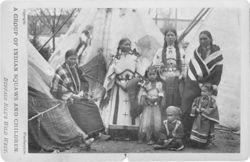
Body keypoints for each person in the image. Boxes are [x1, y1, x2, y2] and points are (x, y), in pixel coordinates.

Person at [50, 48, 109, 141]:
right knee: (79, 109)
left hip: (78, 95)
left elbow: (84, 82)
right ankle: (90, 133)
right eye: (71, 59)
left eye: (75, 59)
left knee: (92, 106)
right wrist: (72, 95)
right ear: (66, 59)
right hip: (67, 98)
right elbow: (57, 89)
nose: (73, 61)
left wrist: (82, 91)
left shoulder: (77, 69)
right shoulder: (61, 70)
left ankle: (97, 132)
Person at [181, 30, 223, 144]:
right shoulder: (197, 52)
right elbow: (192, 68)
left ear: (210, 38)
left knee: (204, 112)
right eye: (201, 39)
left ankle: (202, 139)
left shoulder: (217, 53)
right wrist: (196, 82)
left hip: (207, 86)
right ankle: (186, 134)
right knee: (188, 107)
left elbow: (218, 71)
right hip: (194, 83)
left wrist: (214, 85)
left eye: (205, 38)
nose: (203, 41)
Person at [101, 38, 145, 140]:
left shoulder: (135, 58)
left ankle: (132, 133)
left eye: (129, 44)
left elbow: (140, 73)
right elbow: (111, 74)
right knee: (118, 108)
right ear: (120, 46)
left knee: (131, 106)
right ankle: (117, 132)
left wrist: (131, 83)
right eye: (125, 44)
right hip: (119, 87)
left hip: (132, 87)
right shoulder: (116, 59)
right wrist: (119, 83)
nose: (128, 46)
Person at [152, 27, 186, 112]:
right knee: (163, 97)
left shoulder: (181, 51)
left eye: (172, 35)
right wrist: (160, 68)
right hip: (163, 78)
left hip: (177, 78)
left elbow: (184, 66)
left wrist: (181, 77)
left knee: (178, 97)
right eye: (168, 35)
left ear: (175, 37)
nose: (170, 37)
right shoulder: (160, 51)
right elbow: (155, 66)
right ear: (165, 37)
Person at [137, 66, 164, 145]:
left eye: (154, 74)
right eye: (150, 74)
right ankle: (145, 138)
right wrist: (147, 101)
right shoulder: (146, 84)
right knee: (146, 121)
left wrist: (157, 101)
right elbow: (144, 94)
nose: (152, 76)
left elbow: (161, 94)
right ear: (147, 75)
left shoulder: (159, 84)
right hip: (148, 106)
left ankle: (155, 138)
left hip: (156, 105)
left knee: (156, 121)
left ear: (157, 75)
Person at [189, 83, 219, 148]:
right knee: (196, 128)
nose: (202, 93)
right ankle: (194, 142)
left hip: (206, 119)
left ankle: (203, 144)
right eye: (201, 91)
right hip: (198, 118)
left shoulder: (212, 101)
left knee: (204, 130)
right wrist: (196, 109)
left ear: (210, 92)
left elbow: (212, 108)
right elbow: (194, 105)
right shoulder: (198, 99)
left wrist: (204, 110)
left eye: (205, 91)